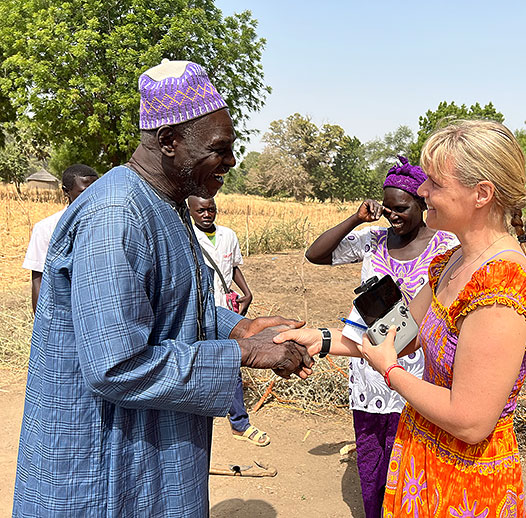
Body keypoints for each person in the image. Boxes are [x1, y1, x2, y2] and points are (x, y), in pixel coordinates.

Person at [13, 59, 313, 518]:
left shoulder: (164, 204)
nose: (231, 162)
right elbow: (116, 365)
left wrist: (240, 327)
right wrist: (244, 354)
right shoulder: (117, 214)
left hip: (149, 445)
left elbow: (171, 306)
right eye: (219, 148)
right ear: (169, 141)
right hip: (106, 461)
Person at [278, 120, 526, 517]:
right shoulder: (452, 262)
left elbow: (470, 422)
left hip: (466, 478)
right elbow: (401, 337)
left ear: (481, 194)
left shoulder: (503, 287)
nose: (422, 191)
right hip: (423, 454)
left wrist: (390, 373)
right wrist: (323, 340)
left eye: (435, 183)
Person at [304, 156, 458, 518]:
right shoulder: (373, 239)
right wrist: (356, 218)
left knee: (411, 465)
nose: (393, 216)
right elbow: (316, 254)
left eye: (401, 208)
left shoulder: (447, 248)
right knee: (373, 462)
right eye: (387, 208)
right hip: (367, 368)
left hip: (417, 372)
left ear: (423, 202)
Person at [188, 195, 269, 447]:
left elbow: (233, 267)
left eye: (211, 209)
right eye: (201, 210)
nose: (206, 215)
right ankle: (197, 423)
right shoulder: (185, 236)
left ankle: (240, 424)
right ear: (190, 210)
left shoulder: (228, 235)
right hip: (196, 314)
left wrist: (247, 292)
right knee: (198, 365)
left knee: (232, 363)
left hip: (225, 312)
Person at [22, 164, 98, 312]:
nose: (92, 197)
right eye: (83, 192)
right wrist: (41, 325)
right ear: (66, 192)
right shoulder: (46, 228)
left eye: (96, 191)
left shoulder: (106, 224)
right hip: (63, 313)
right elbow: (39, 279)